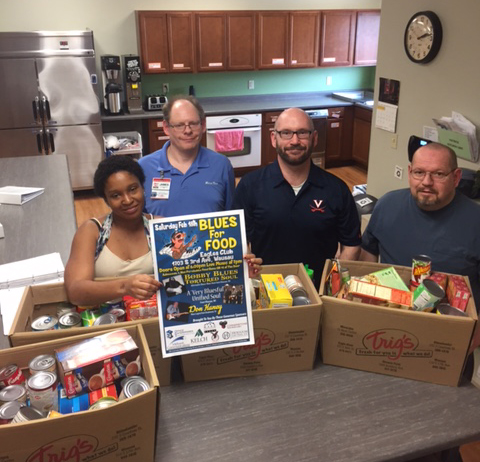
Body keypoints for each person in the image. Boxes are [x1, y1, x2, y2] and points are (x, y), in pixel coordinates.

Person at [233, 107, 362, 288]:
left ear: (314, 138)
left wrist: (332, 284)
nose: (295, 141)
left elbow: (351, 245)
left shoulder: (337, 190)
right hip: (266, 288)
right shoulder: (249, 186)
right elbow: (238, 241)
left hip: (319, 291)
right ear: (273, 138)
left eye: (302, 133)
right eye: (286, 133)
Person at [360, 142, 480, 307]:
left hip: (452, 321)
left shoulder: (475, 221)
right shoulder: (387, 205)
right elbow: (368, 254)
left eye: (438, 174)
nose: (426, 182)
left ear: (456, 177)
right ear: (409, 173)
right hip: (391, 310)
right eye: (419, 172)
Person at [65, 155, 162, 306]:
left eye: (132, 189)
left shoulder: (161, 227)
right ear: (106, 200)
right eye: (116, 195)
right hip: (106, 322)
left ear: (143, 187)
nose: (128, 200)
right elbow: (75, 292)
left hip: (152, 319)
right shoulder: (92, 231)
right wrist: (125, 286)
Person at [138, 95, 235, 217]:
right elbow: (137, 221)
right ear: (166, 128)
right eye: (179, 125)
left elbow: (232, 217)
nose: (187, 131)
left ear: (203, 125)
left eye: (193, 124)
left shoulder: (222, 165)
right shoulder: (144, 167)